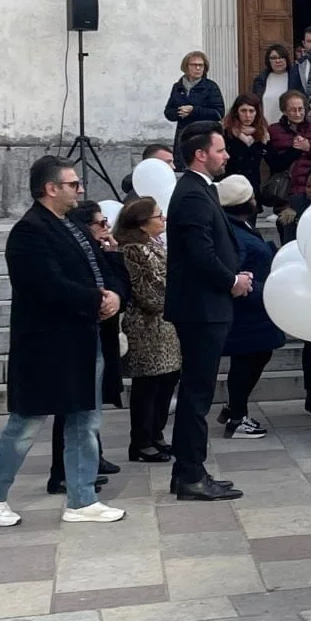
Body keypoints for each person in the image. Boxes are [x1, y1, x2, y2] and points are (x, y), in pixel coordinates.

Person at [0, 157, 126, 527]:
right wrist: (95, 300)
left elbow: (100, 269)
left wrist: (114, 296)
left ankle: (82, 499)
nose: (81, 189)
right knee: (26, 423)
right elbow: (43, 285)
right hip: (47, 345)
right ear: (50, 189)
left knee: (85, 420)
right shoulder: (29, 231)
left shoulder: (70, 226)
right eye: (73, 184)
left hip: (83, 341)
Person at [165, 123, 248, 501]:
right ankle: (191, 475)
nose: (226, 155)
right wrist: (230, 280)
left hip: (206, 306)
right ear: (201, 154)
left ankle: (188, 470)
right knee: (197, 395)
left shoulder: (201, 190)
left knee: (199, 393)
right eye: (220, 149)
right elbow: (200, 253)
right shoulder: (193, 194)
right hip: (201, 308)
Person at [49, 201, 126, 495]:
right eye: (100, 223)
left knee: (89, 406)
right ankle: (63, 472)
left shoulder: (98, 252)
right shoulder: (74, 253)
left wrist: (113, 256)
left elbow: (119, 284)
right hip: (75, 336)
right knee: (72, 409)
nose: (106, 228)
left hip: (99, 332)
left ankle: (90, 459)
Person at [114, 198, 179, 463]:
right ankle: (141, 441)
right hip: (146, 326)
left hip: (167, 324)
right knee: (148, 385)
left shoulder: (155, 245)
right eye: (158, 216)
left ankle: (156, 433)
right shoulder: (133, 250)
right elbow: (149, 292)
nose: (162, 219)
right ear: (142, 224)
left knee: (167, 381)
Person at [216, 175, 281, 439]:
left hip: (256, 307)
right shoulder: (235, 233)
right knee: (248, 360)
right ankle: (237, 417)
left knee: (256, 357)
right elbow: (236, 268)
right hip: (248, 309)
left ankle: (234, 407)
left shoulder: (239, 226)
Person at [265, 90, 311, 204]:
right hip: (286, 189)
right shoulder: (274, 130)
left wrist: (309, 147)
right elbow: (274, 163)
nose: (297, 114)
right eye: (292, 110)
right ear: (284, 111)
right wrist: (297, 149)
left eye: (300, 109)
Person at [163, 51, 226, 149]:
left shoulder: (211, 87)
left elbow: (218, 113)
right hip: (183, 137)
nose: (198, 68)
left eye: (201, 65)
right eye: (194, 65)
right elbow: (168, 112)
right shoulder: (177, 87)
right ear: (186, 67)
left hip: (203, 137)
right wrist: (179, 112)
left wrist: (193, 110)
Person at [223, 93, 269, 198]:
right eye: (243, 111)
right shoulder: (226, 133)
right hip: (231, 186)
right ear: (236, 112)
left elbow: (274, 160)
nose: (247, 116)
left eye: (251, 111)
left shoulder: (263, 134)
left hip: (252, 186)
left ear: (257, 113)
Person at [248, 44, 301, 118]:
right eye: (273, 58)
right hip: (265, 125)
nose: (278, 61)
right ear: (268, 60)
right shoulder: (260, 81)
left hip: (289, 125)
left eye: (281, 57)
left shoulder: (297, 78)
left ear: (286, 59)